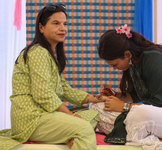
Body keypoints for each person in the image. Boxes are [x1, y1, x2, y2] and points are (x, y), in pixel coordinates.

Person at [0, 4, 109, 150]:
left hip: (45, 116)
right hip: (32, 119)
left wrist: (99, 98)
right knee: (83, 127)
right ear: (41, 28)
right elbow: (43, 94)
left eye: (65, 24)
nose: (63, 28)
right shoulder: (37, 52)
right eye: (56, 23)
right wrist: (70, 114)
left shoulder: (49, 55)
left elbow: (64, 89)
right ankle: (71, 135)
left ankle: (68, 136)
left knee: (93, 115)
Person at [90, 24, 162, 150]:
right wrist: (114, 95)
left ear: (127, 54)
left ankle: (144, 138)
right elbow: (135, 97)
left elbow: (159, 102)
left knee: (139, 114)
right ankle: (141, 133)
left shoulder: (153, 58)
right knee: (96, 108)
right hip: (155, 117)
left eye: (115, 64)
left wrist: (123, 107)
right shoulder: (132, 65)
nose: (115, 68)